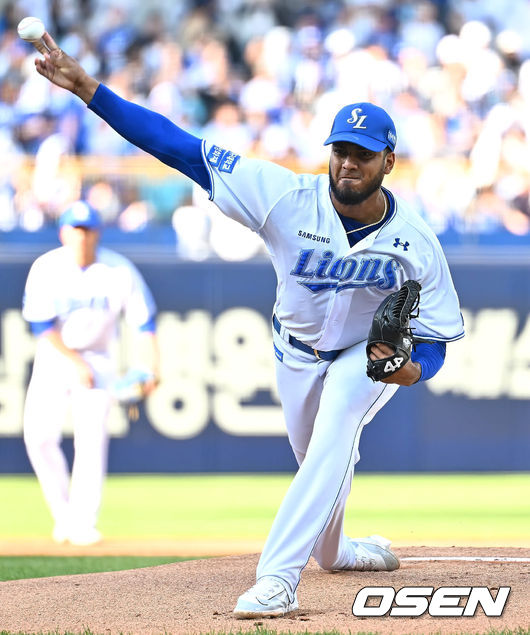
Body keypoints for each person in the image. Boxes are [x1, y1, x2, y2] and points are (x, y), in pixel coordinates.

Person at [29, 33, 463, 611]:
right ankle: (337, 552)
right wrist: (87, 89)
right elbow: (179, 148)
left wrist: (410, 369)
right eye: (340, 149)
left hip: (364, 356)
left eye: (362, 153)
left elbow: (435, 340)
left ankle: (277, 580)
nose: (348, 162)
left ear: (389, 160)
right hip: (295, 351)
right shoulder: (284, 195)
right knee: (317, 457)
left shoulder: (417, 243)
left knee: (336, 429)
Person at [22, 200, 159, 546]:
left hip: (99, 358)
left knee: (91, 440)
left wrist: (152, 367)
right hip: (55, 357)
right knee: (38, 437)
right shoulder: (46, 267)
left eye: (87, 229)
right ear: (63, 232)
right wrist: (74, 363)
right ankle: (64, 515)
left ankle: (83, 523)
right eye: (75, 228)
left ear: (98, 232)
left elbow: (145, 324)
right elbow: (42, 327)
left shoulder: (118, 270)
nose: (82, 236)